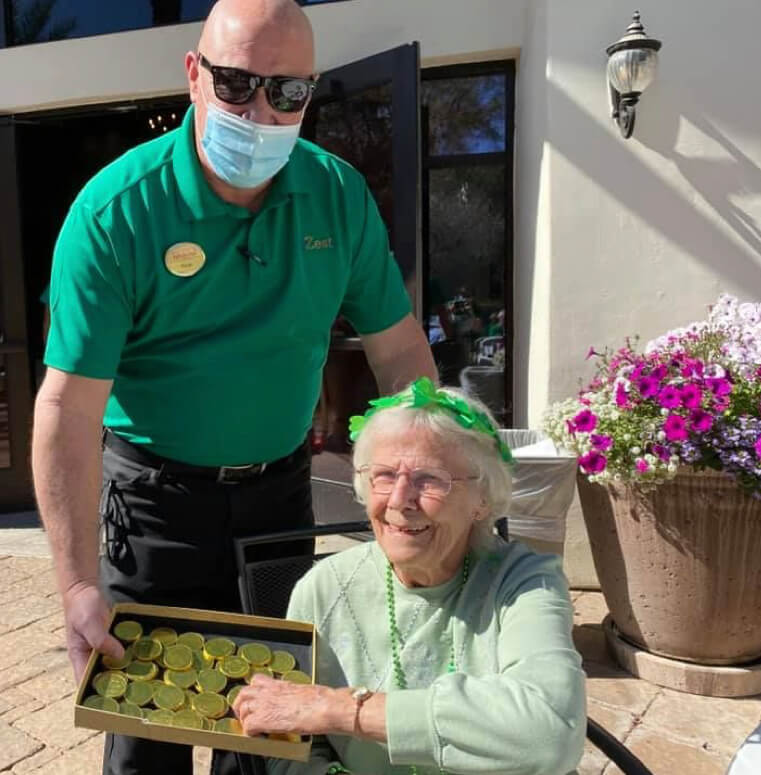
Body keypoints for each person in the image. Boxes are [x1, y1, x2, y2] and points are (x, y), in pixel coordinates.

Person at [30, 1, 436, 774]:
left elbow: (403, 353)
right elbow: (68, 408)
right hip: (154, 507)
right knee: (148, 732)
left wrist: (418, 482)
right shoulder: (117, 213)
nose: (259, 110)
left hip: (279, 499)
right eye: (237, 83)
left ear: (309, 95)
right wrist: (78, 582)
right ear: (193, 75)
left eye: (286, 92)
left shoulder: (336, 196)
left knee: (267, 727)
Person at [233, 377, 587, 775]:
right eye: (384, 476)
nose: (400, 501)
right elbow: (289, 745)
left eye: (429, 479)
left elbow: (552, 734)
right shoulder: (322, 588)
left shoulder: (525, 583)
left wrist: (335, 708)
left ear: (483, 499)